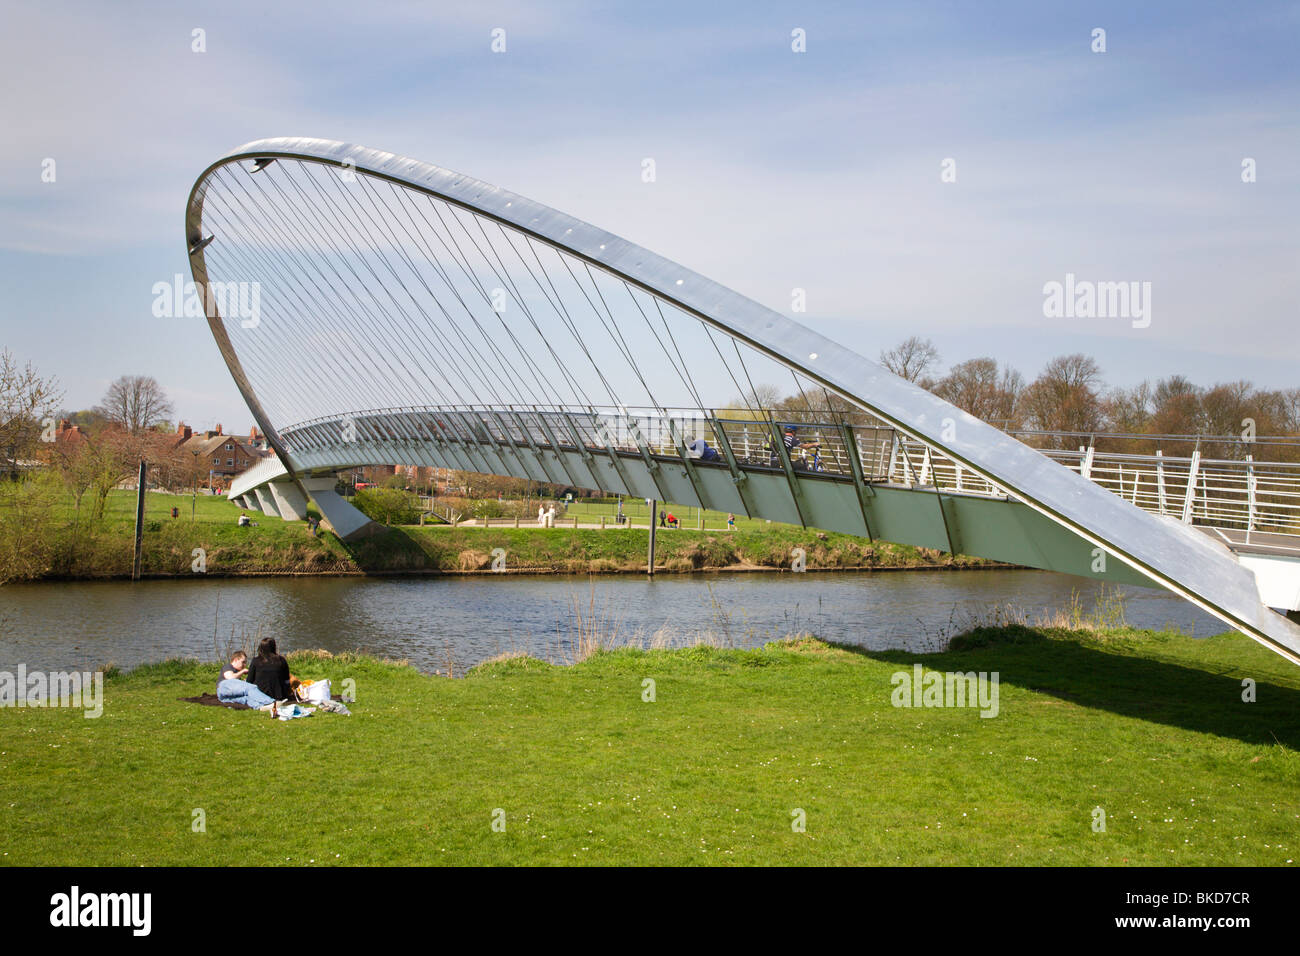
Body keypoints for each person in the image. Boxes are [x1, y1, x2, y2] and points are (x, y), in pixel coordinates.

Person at [247, 637, 295, 703]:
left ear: (261, 648)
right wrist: (288, 691)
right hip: (279, 695)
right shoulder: (281, 660)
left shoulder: (256, 661)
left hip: (259, 694)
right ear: (274, 647)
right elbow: (286, 680)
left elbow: (249, 680)